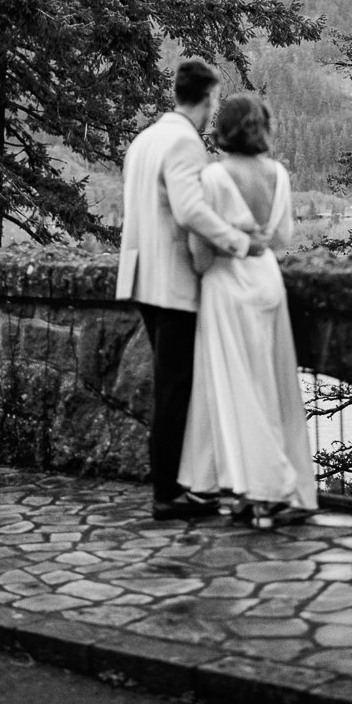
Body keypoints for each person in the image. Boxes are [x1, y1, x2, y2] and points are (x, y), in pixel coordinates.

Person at [117, 59, 268, 521]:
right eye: (216, 98)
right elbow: (188, 211)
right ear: (208, 97)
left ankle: (174, 486)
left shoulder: (145, 139)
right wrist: (241, 241)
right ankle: (169, 494)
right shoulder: (183, 142)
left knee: (171, 385)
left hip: (141, 276)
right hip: (172, 281)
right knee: (175, 389)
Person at [177, 93, 317, 529]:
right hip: (267, 282)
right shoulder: (278, 173)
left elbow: (200, 243)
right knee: (274, 388)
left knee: (235, 389)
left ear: (225, 128)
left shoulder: (215, 176)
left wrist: (205, 270)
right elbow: (282, 239)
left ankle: (260, 490)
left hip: (228, 285)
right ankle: (271, 488)